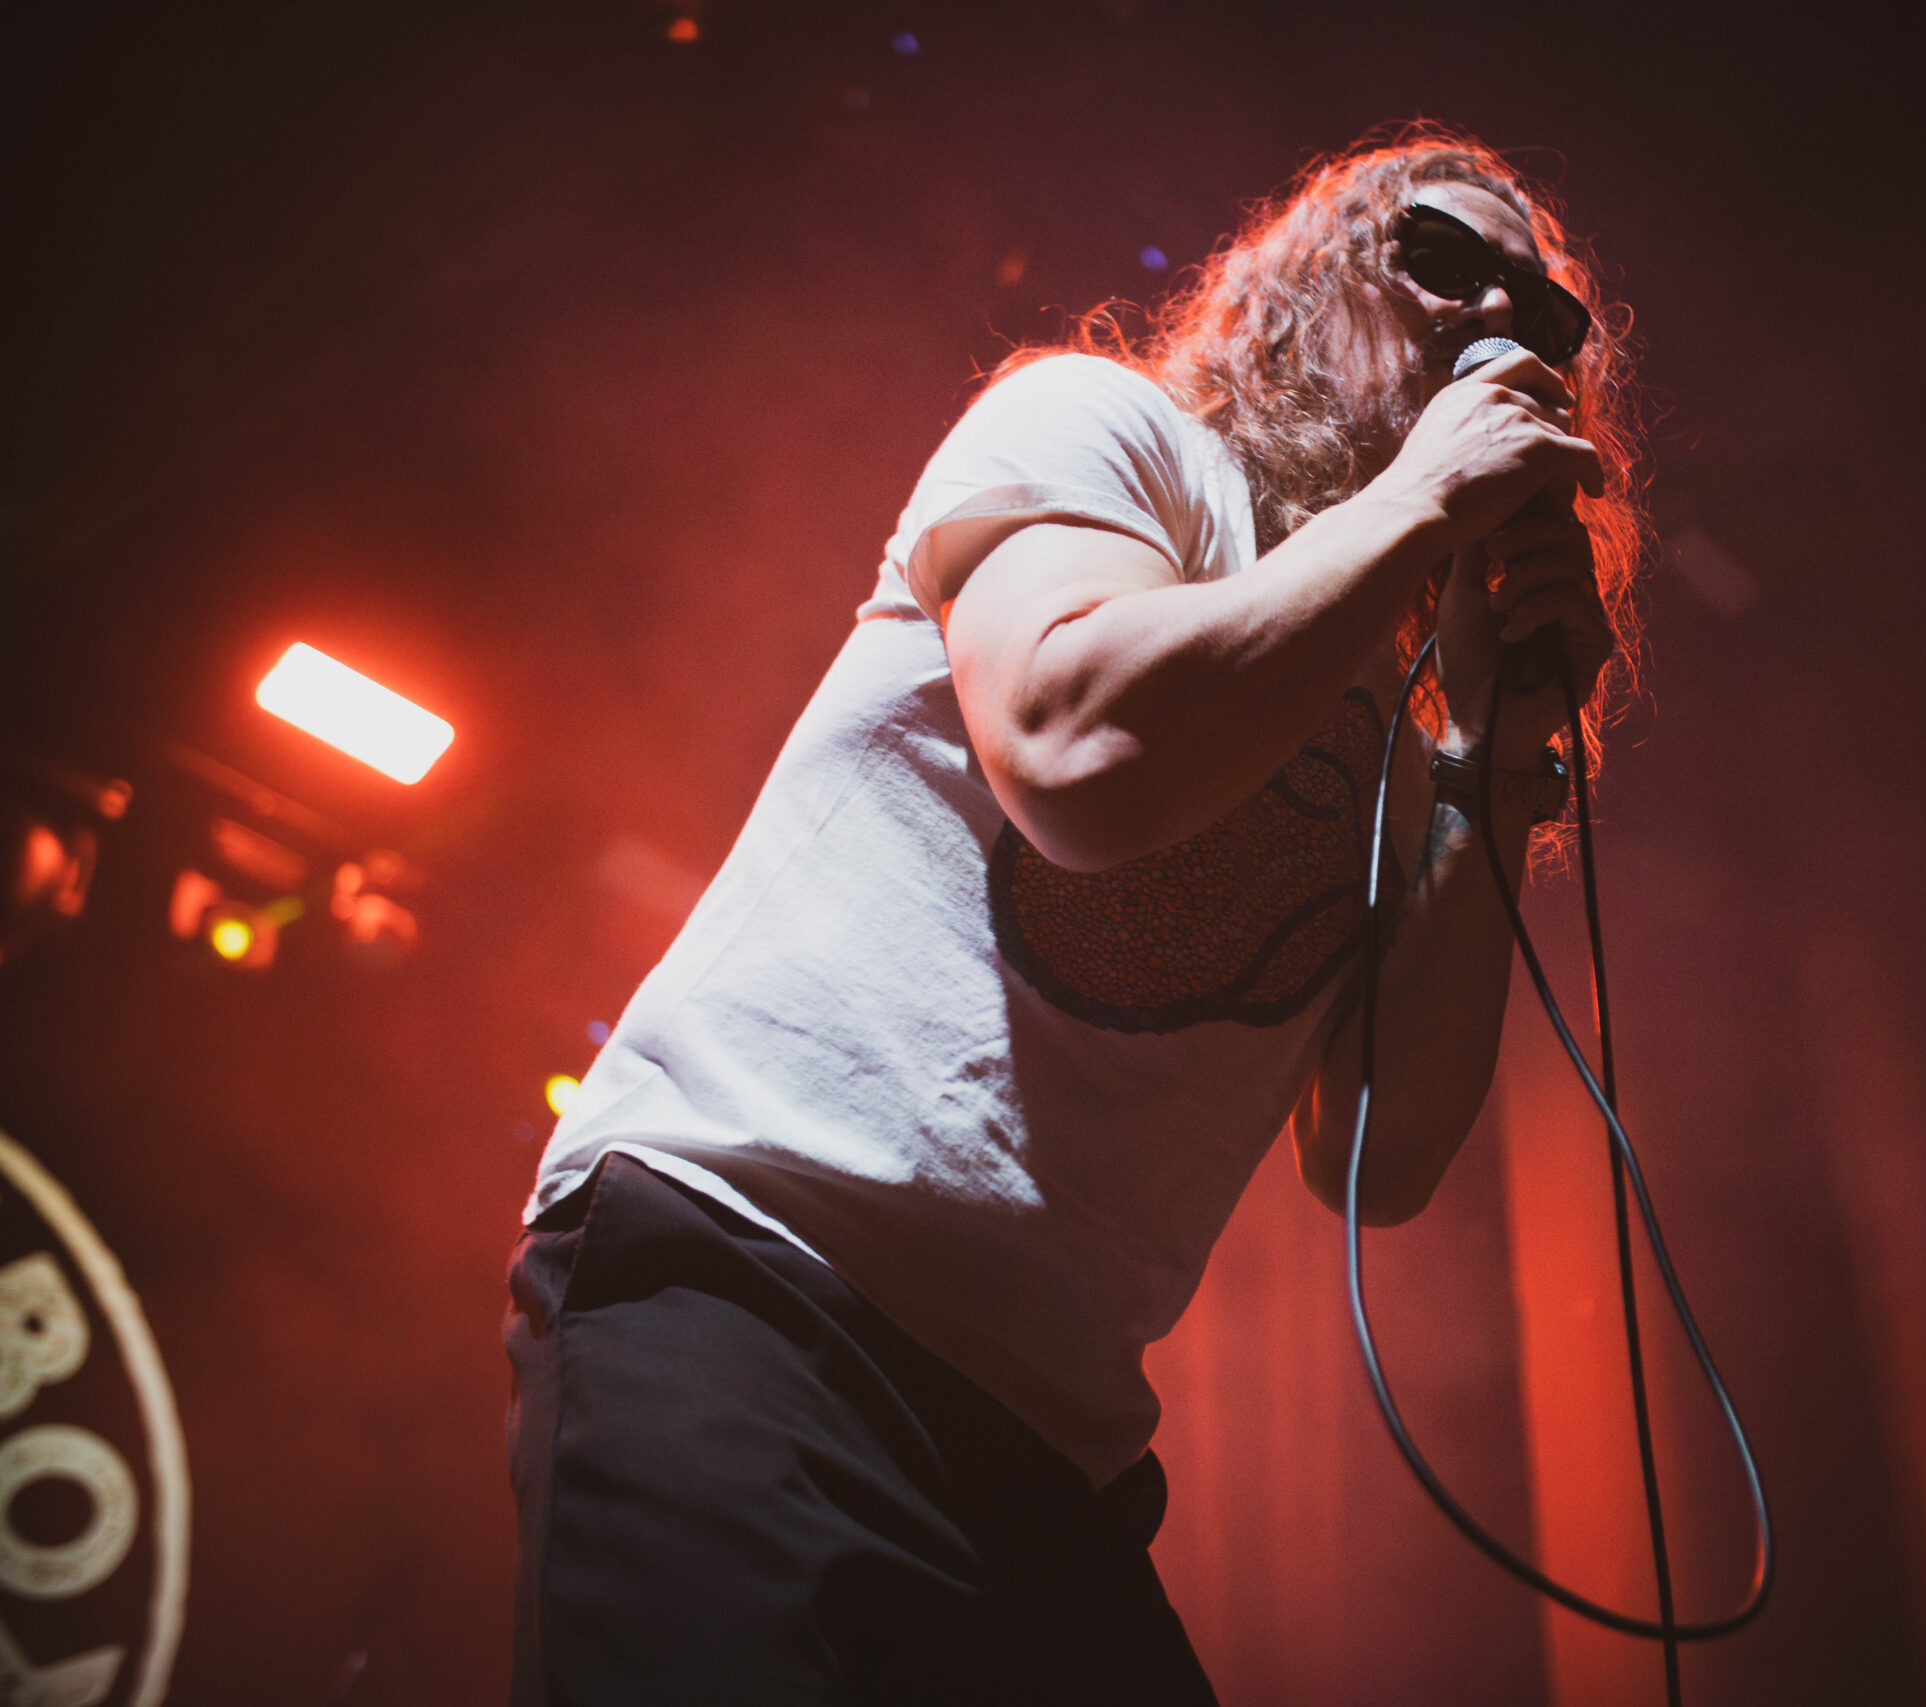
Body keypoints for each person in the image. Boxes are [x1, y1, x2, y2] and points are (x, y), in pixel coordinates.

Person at [504, 127, 1645, 1705]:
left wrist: (1491, 765)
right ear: (1306, 295)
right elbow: (1072, 750)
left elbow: (1376, 1160)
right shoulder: (1105, 431)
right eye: (1440, 262)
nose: (1495, 317)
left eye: (1544, 311)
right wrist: (1425, 500)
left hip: (1050, 1445)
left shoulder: (1396, 713)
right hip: (748, 1276)